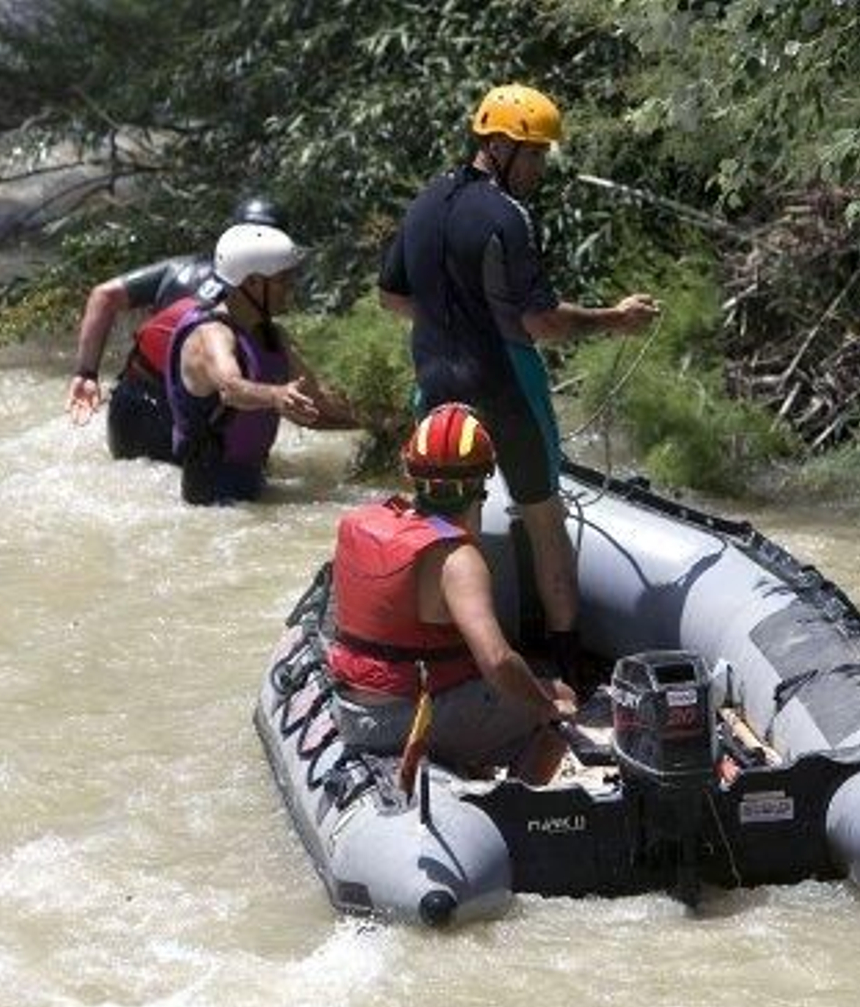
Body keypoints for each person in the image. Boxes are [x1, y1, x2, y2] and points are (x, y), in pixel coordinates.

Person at [377, 83, 659, 687]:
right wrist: (617, 319)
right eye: (532, 154)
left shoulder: (423, 203)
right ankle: (566, 661)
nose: (538, 167)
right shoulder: (508, 215)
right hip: (505, 383)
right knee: (544, 517)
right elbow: (542, 324)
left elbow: (391, 296)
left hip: (435, 383)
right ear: (498, 145)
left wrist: (448, 322)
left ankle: (442, 658)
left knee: (446, 524)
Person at [327, 403, 575, 784]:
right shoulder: (458, 558)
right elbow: (497, 662)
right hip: (409, 722)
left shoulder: (363, 524)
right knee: (557, 704)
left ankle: (469, 765)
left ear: (412, 473)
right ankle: (516, 806)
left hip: (350, 709)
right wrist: (546, 706)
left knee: (513, 690)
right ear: (484, 479)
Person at [66, 195, 286, 462]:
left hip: (133, 404)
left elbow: (105, 295)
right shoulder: (260, 292)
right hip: (175, 412)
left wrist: (86, 374)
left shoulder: (180, 268)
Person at [165, 223, 355, 505]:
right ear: (252, 282)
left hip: (252, 479)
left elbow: (318, 403)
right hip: (211, 493)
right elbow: (231, 389)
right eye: (283, 279)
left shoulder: (273, 335)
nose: (291, 287)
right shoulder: (211, 335)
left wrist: (378, 420)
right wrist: (277, 395)